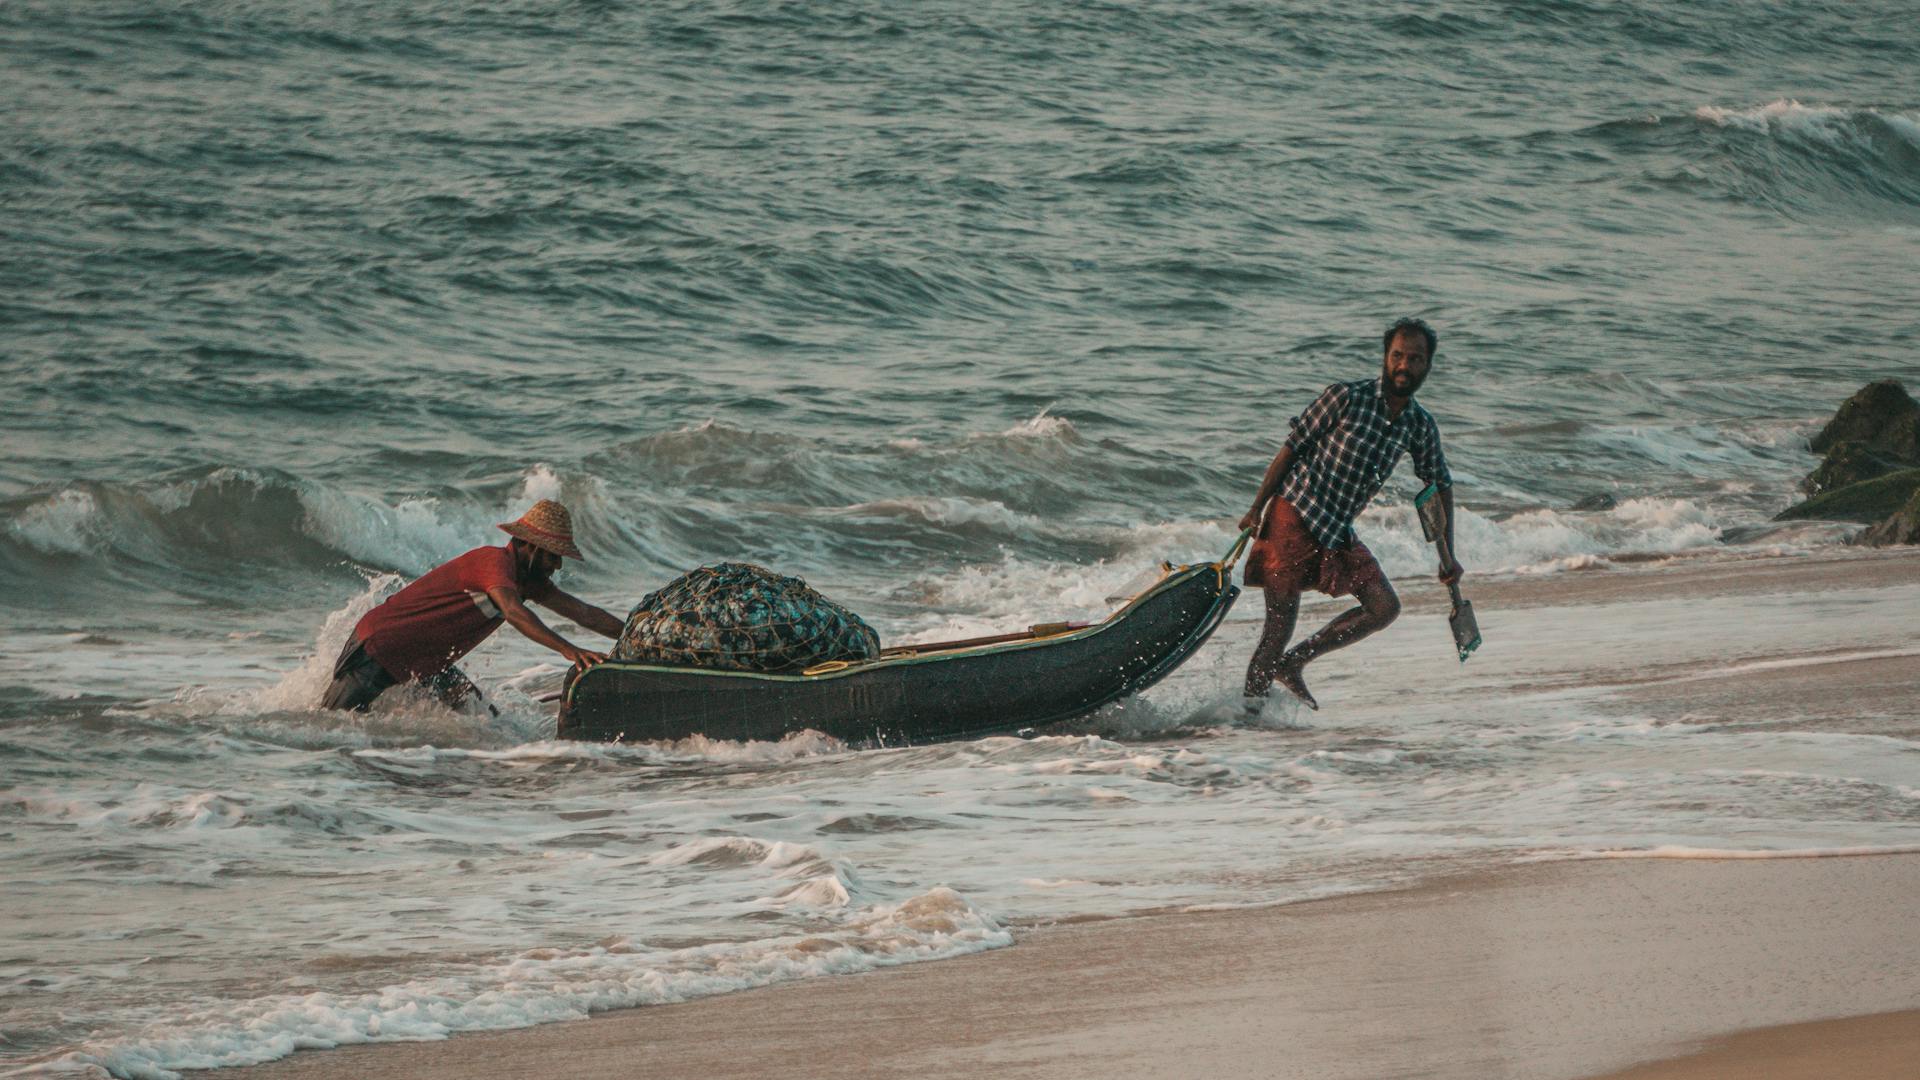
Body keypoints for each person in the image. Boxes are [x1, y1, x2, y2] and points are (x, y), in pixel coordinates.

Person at [1238, 318, 1463, 712]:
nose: (1403, 366)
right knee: (1278, 626)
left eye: (1414, 359)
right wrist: (1257, 508)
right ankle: (1249, 718)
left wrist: (1449, 557)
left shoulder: (1420, 425)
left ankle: (1294, 663)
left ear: (1428, 366)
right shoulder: (1345, 397)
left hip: (1336, 528)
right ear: (1384, 357)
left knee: (1383, 607)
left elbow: (1437, 488)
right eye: (1397, 356)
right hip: (1295, 511)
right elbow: (1292, 448)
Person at [320, 499, 621, 712]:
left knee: (483, 719)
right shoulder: (492, 563)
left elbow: (585, 614)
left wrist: (633, 634)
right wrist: (571, 651)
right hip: (380, 647)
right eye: (553, 555)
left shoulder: (530, 581)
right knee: (331, 729)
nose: (556, 565)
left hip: (427, 662)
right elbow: (514, 612)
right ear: (530, 546)